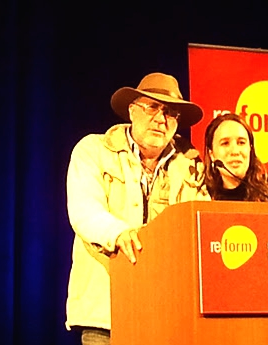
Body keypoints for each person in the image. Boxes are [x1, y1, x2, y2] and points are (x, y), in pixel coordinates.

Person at [65, 72, 209, 345]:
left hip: (169, 316)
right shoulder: (93, 150)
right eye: (152, 107)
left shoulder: (191, 166)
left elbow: (200, 228)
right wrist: (118, 233)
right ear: (132, 111)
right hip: (106, 315)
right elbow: (84, 210)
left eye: (170, 112)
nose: (161, 119)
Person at [202, 113, 268, 202]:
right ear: (212, 154)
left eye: (241, 142)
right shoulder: (203, 196)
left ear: (250, 149)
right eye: (225, 143)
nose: (235, 151)